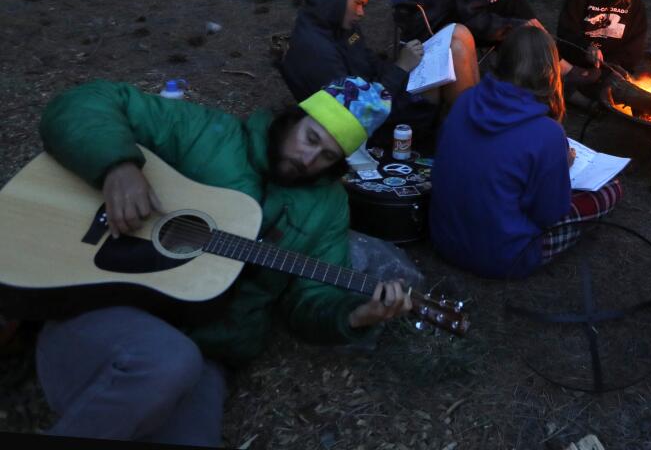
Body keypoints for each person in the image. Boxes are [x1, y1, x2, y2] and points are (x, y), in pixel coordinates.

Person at [33, 76, 414, 446]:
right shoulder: (208, 136)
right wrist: (116, 167)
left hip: (209, 352)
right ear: (293, 117)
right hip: (105, 306)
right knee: (171, 360)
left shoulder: (327, 208)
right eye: (310, 138)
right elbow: (82, 102)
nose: (308, 158)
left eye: (327, 156)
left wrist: (354, 315)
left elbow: (312, 299)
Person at [430, 26, 624, 279]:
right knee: (613, 189)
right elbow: (548, 215)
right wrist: (560, 168)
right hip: (503, 255)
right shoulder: (547, 133)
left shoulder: (466, 100)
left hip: (444, 238)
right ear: (550, 72)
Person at [280, 0, 479, 141]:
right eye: (358, 3)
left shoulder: (338, 25)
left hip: (383, 92)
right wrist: (401, 68)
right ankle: (470, 138)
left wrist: (405, 66)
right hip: (378, 119)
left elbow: (368, 61)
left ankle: (473, 127)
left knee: (458, 32)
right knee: (456, 50)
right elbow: (356, 113)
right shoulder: (315, 50)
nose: (361, 13)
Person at [556, 0, 648, 96]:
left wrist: (608, 66)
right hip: (578, 66)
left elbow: (635, 47)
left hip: (613, 70)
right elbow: (566, 33)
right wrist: (587, 49)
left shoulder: (634, 3)